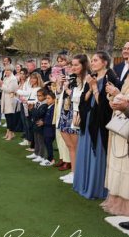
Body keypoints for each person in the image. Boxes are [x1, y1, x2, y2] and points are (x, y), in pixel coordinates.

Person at [73, 51, 120, 199]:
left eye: (95, 60)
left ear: (105, 62)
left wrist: (94, 88)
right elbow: (83, 99)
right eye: (91, 60)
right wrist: (90, 86)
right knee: (85, 151)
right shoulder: (92, 77)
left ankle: (96, 188)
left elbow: (105, 107)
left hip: (100, 124)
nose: (92, 63)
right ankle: (83, 183)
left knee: (97, 153)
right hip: (88, 121)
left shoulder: (110, 78)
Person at [101, 74, 129, 222]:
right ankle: (121, 204)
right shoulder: (126, 75)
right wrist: (115, 98)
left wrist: (119, 96)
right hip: (121, 126)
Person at [57, 54, 89, 183]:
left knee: (77, 146)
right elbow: (60, 95)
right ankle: (73, 172)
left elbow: (84, 98)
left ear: (84, 65)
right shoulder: (71, 78)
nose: (73, 67)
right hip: (64, 113)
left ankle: (78, 174)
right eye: (72, 65)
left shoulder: (87, 79)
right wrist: (60, 85)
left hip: (75, 115)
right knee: (70, 146)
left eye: (76, 65)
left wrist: (69, 92)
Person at [0, 65, 18, 140]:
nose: (6, 71)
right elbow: (3, 88)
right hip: (5, 98)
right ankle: (8, 133)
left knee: (10, 117)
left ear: (11, 71)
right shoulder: (6, 77)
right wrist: (1, 86)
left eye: (8, 70)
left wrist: (1, 85)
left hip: (10, 99)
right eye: (5, 70)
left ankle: (11, 134)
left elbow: (10, 89)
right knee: (7, 117)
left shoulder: (13, 79)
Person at [39, 91, 56, 166]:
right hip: (46, 129)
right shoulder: (49, 107)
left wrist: (43, 122)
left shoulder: (53, 108)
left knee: (49, 144)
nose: (47, 100)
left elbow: (52, 120)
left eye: (49, 98)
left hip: (50, 130)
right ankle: (48, 158)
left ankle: (51, 159)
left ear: (54, 99)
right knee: (46, 143)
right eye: (46, 98)